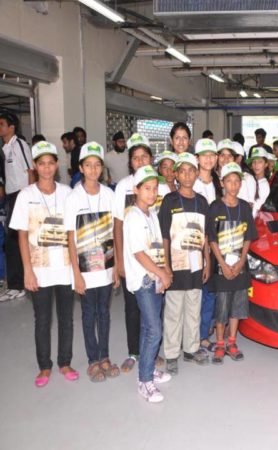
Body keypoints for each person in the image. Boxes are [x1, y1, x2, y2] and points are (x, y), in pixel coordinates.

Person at [10, 141, 78, 387]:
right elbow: (22, 236)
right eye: (42, 164)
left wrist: (77, 269)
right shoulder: (26, 196)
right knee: (42, 319)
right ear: (35, 167)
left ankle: (64, 362)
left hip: (65, 267)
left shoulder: (68, 192)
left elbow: (73, 234)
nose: (47, 168)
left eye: (51, 163)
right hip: (39, 270)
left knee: (66, 318)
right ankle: (44, 366)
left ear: (56, 165)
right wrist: (27, 271)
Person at [64, 142, 120, 381]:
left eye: (97, 165)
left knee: (104, 313)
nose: (93, 169)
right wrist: (75, 274)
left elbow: (115, 231)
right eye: (88, 165)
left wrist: (117, 265)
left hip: (106, 268)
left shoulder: (109, 195)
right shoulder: (73, 198)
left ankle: (105, 356)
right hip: (85, 272)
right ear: (81, 168)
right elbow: (70, 238)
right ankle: (92, 360)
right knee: (88, 314)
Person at [123, 165, 172, 402]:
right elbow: (139, 254)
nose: (152, 193)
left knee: (146, 327)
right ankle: (144, 381)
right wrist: (161, 275)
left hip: (154, 277)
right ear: (136, 190)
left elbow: (156, 248)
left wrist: (162, 272)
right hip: (143, 280)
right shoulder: (132, 216)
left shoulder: (151, 214)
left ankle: (148, 368)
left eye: (154, 189)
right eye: (147, 188)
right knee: (154, 330)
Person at [159, 153, 211, 374]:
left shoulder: (202, 201)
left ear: (197, 173)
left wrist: (207, 262)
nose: (187, 175)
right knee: (173, 311)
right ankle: (171, 354)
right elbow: (164, 237)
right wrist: (165, 265)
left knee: (193, 308)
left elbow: (207, 235)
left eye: (192, 170)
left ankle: (191, 348)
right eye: (183, 171)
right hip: (176, 266)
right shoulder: (169, 201)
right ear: (177, 174)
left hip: (196, 265)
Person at [113, 133, 160, 373]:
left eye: (144, 156)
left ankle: (150, 354)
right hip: (133, 259)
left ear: (151, 158)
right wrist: (119, 260)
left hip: (154, 258)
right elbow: (118, 225)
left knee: (152, 309)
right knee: (133, 307)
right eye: (135, 158)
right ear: (130, 162)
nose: (140, 161)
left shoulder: (155, 184)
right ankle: (134, 352)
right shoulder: (123, 186)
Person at [207, 162, 258, 364]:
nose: (234, 185)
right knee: (221, 308)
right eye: (229, 181)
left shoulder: (245, 207)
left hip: (240, 269)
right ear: (222, 183)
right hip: (221, 269)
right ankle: (219, 343)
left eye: (237, 181)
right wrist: (222, 263)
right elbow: (211, 239)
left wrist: (240, 263)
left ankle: (231, 341)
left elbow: (248, 238)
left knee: (237, 307)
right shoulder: (215, 207)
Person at [0, 112, 34, 302]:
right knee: (11, 242)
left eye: (2, 124)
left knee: (14, 241)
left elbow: (30, 171)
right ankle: (15, 284)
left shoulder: (19, 144)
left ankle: (17, 285)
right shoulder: (5, 148)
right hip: (11, 196)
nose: (0, 127)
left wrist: (29, 197)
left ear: (11, 127)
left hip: (22, 195)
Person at [192, 138, 221, 353]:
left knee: (210, 293)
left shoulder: (218, 182)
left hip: (216, 245)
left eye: (213, 155)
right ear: (197, 159)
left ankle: (203, 335)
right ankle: (193, 337)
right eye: (205, 155)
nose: (209, 159)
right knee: (195, 294)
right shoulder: (191, 184)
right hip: (196, 246)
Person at [217, 139, 256, 203]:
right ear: (217, 157)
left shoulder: (242, 180)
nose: (226, 159)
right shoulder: (212, 177)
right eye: (222, 155)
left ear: (234, 158)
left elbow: (246, 206)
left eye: (230, 155)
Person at [246, 147, 274, 217]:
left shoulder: (264, 186)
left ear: (266, 164)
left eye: (260, 162)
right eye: (254, 162)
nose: (256, 165)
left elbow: (255, 209)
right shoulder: (249, 179)